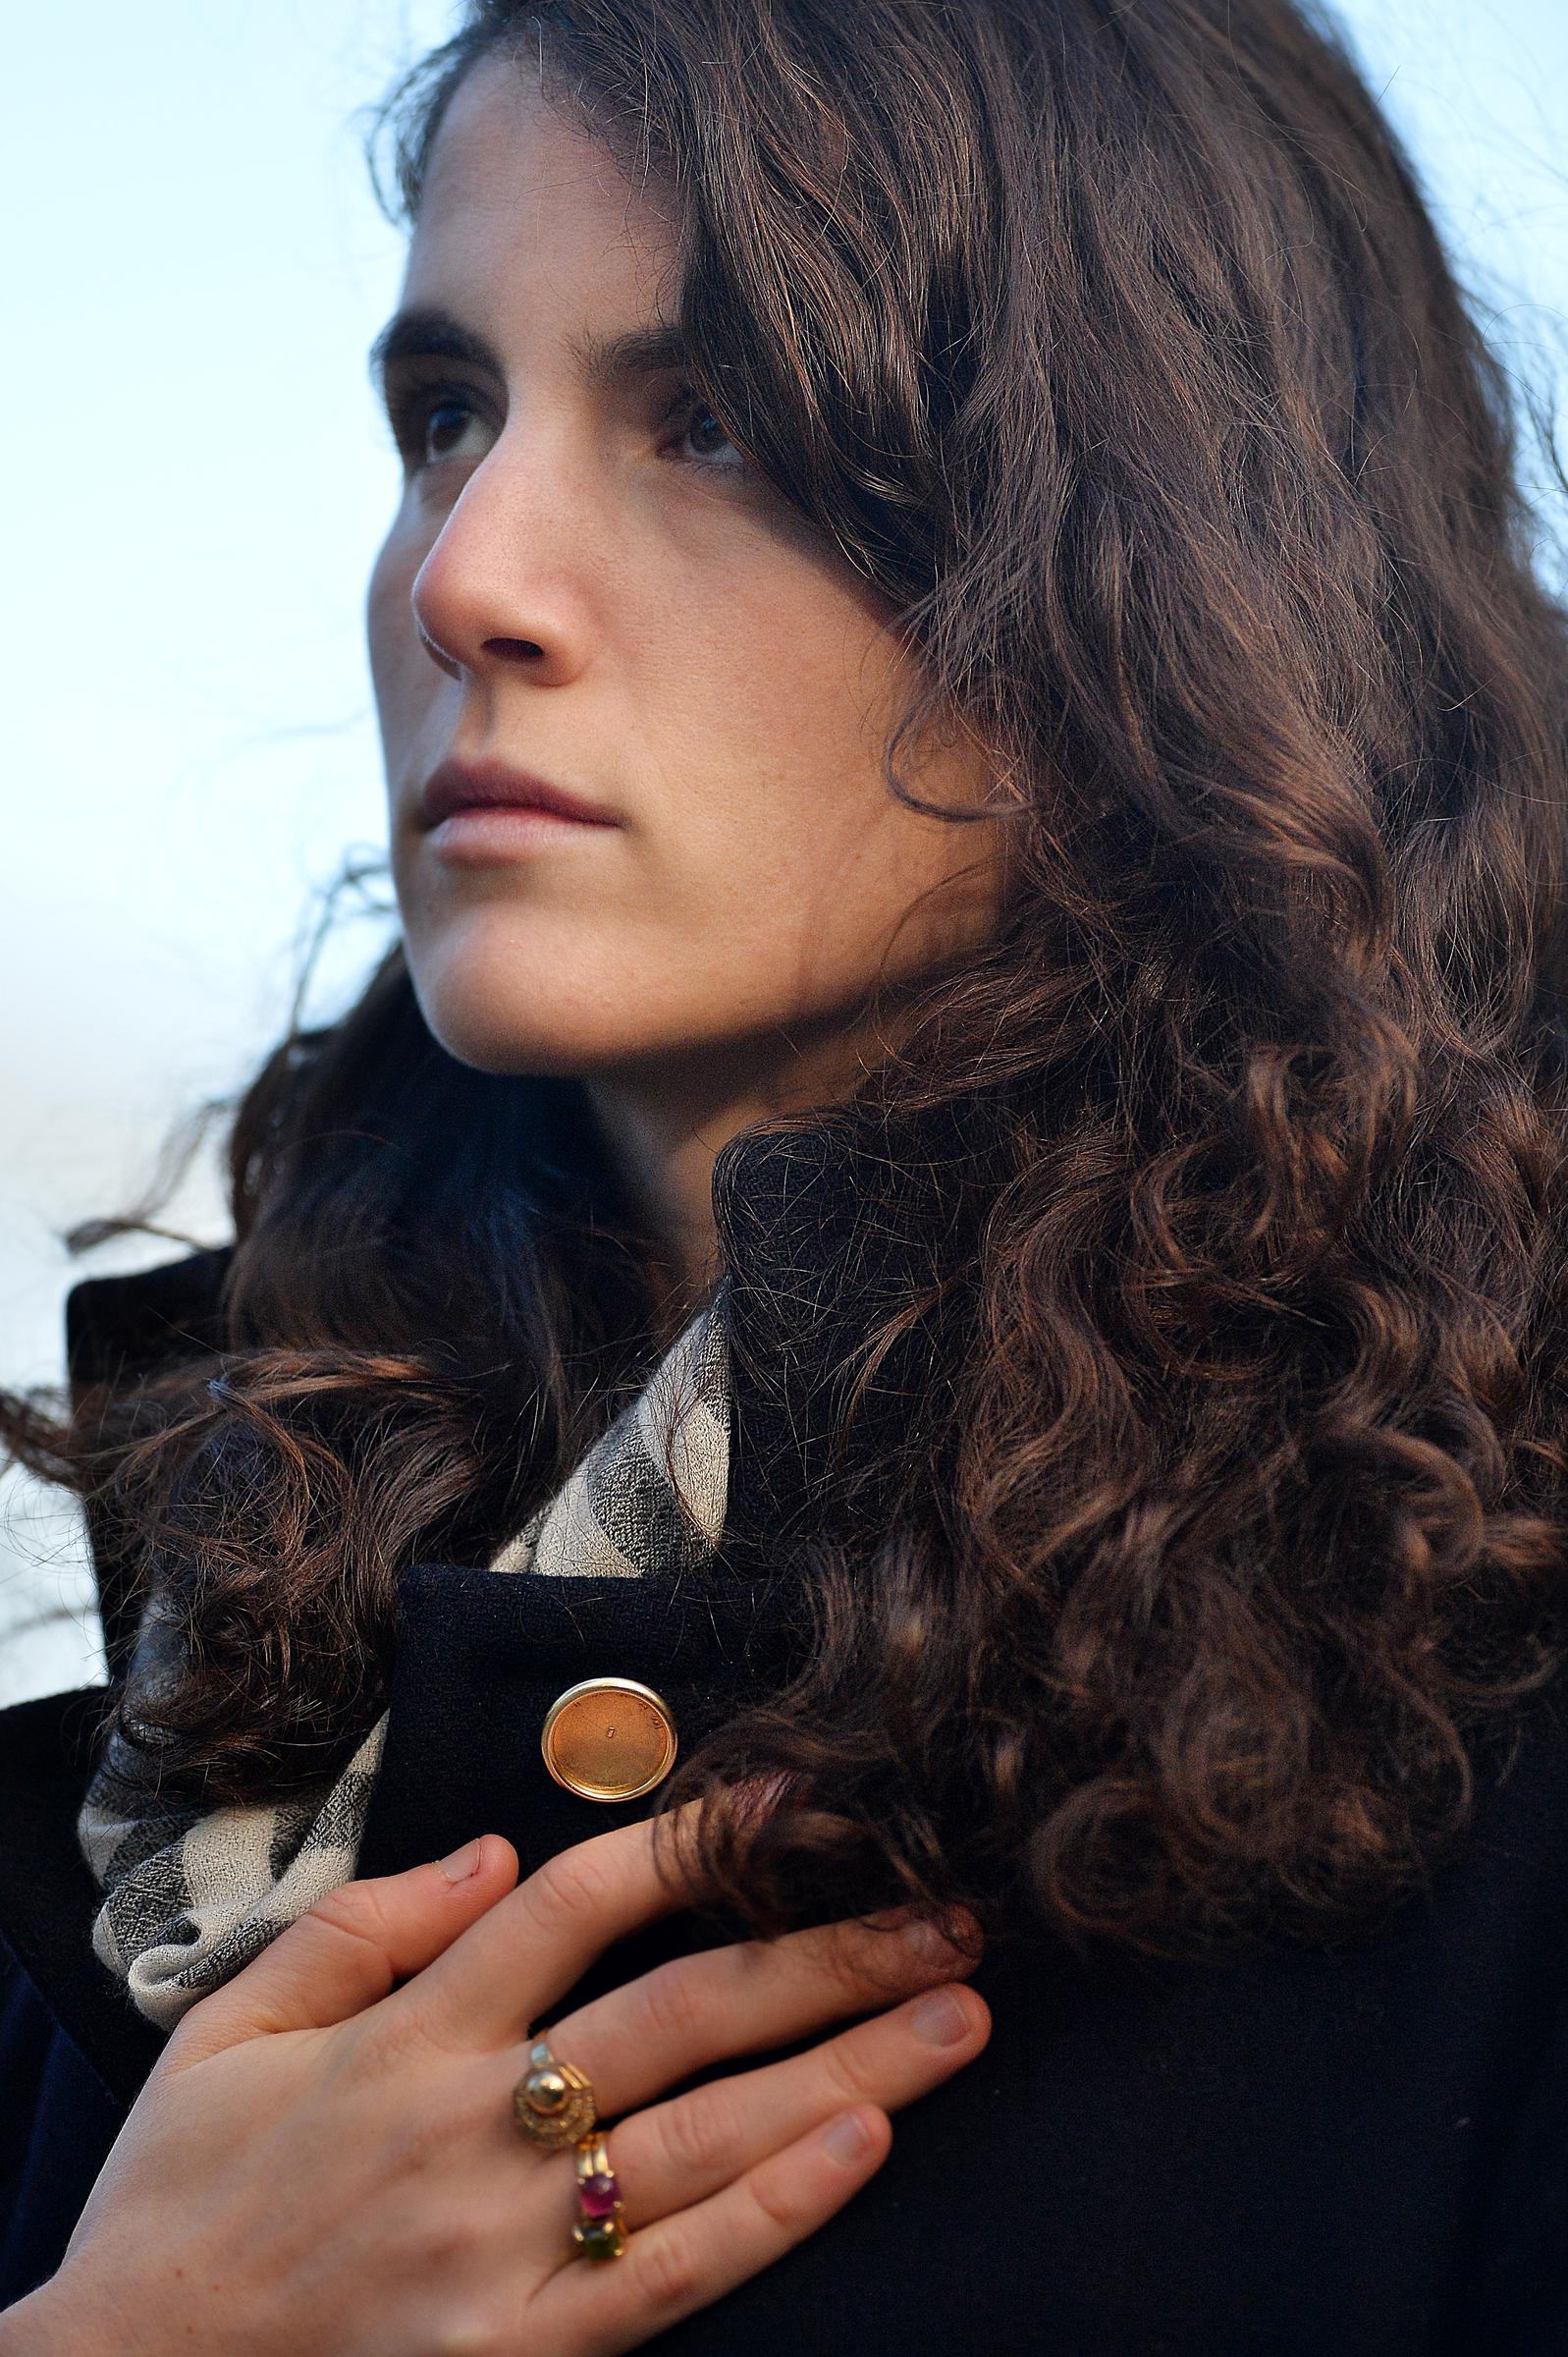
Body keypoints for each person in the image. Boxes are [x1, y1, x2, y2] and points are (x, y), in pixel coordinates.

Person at [3, 0, 1568, 2346]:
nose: (464, 576)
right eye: (446, 416)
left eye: (717, 420)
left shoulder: (1486, 1682)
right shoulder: (220, 1642)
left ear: (1175, 558)